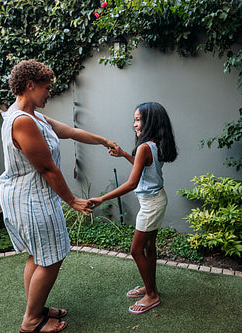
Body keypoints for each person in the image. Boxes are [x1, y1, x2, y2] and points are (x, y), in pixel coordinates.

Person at [0, 59, 116, 333]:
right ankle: (30, 321)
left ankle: (35, 309)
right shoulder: (22, 121)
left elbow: (69, 132)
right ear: (30, 85)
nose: (50, 93)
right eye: (46, 88)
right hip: (30, 199)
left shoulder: (32, 115)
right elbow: (47, 168)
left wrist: (103, 141)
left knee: (38, 255)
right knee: (50, 259)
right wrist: (72, 200)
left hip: (28, 196)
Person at [89, 102, 177, 315]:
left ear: (150, 122)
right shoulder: (153, 145)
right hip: (157, 199)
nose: (134, 124)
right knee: (149, 247)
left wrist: (102, 198)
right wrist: (124, 155)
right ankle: (151, 288)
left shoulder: (144, 147)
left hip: (151, 205)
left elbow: (132, 183)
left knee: (136, 250)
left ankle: (152, 295)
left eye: (138, 119)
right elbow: (145, 168)